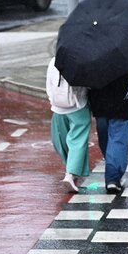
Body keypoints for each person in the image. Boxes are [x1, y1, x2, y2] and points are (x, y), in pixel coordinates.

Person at [87, 67, 128, 194]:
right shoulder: (125, 62)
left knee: (106, 142)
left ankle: (113, 173)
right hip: (120, 108)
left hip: (100, 108)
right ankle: (113, 177)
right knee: (117, 142)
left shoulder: (92, 62)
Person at [45, 57, 91, 193]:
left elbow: (48, 84)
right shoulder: (82, 61)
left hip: (58, 107)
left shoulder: (53, 61)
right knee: (77, 141)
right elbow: (88, 85)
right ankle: (71, 174)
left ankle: (71, 171)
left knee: (61, 140)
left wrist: (52, 101)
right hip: (78, 106)